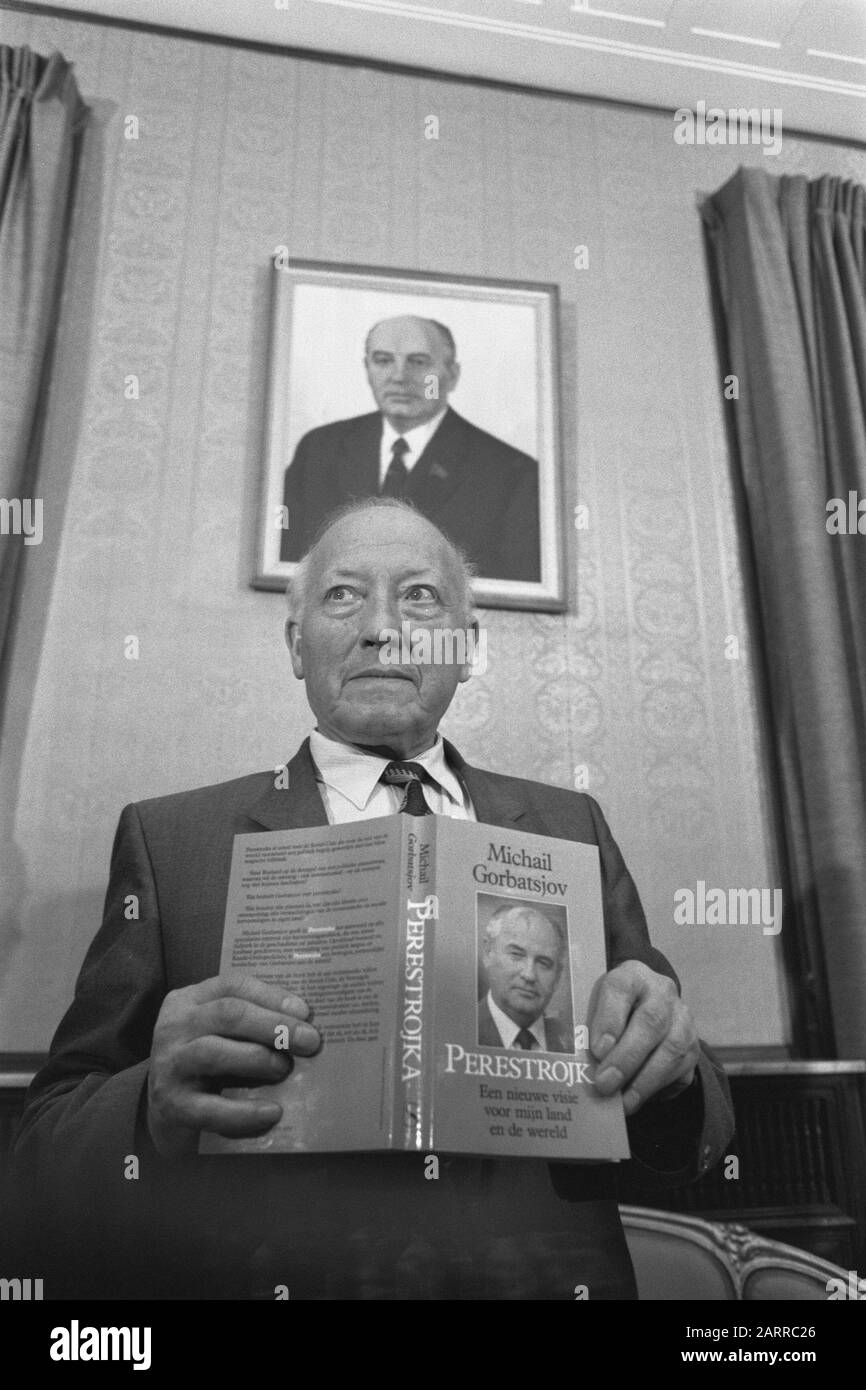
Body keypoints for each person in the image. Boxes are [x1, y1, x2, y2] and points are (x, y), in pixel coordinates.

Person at [10, 498, 733, 1301]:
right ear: (295, 645)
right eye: (343, 595)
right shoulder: (171, 839)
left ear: (468, 647)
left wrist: (670, 1071)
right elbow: (45, 1151)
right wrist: (150, 1105)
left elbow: (691, 1126)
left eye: (420, 596)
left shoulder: (571, 826)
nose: (382, 628)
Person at [279, 315, 541, 582]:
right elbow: (285, 560)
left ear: (451, 376)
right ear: (367, 368)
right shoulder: (319, 450)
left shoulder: (511, 473)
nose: (399, 377)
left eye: (418, 362)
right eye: (383, 361)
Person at [478, 904, 572, 1053]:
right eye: (516, 955)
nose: (529, 975)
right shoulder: (459, 1028)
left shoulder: (572, 1042)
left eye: (543, 963)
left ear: (558, 976)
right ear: (488, 953)